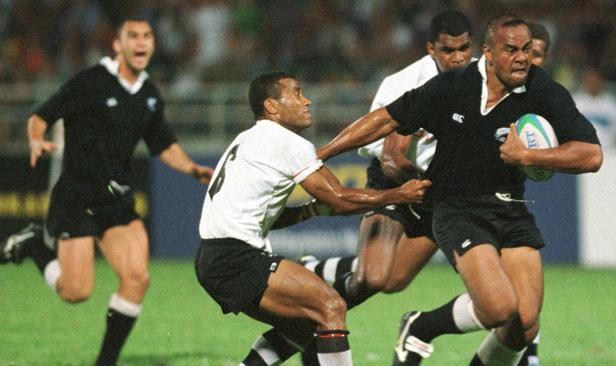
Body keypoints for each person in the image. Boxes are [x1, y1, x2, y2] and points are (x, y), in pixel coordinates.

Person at [315, 14, 602, 366]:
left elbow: (592, 154)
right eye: (511, 49)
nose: (522, 57)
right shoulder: (453, 86)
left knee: (523, 326)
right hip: (458, 210)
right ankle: (422, 327)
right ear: (488, 53)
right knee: (497, 307)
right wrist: (321, 154)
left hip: (510, 208)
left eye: (526, 49)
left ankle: (419, 324)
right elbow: (386, 119)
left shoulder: (541, 89)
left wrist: (529, 155)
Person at [0, 17, 214, 366]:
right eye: (133, 36)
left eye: (147, 36)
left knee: (137, 278)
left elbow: (163, 144)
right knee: (76, 291)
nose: (141, 42)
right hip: (77, 198)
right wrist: (36, 138)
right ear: (118, 45)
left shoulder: (148, 94)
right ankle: (33, 245)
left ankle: (105, 362)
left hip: (116, 200)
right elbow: (42, 115)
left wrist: (191, 168)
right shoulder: (91, 82)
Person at [194, 71, 431, 366]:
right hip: (236, 258)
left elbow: (268, 218)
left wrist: (310, 209)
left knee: (304, 325)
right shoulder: (286, 142)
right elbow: (341, 200)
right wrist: (398, 195)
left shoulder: (247, 139)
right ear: (272, 106)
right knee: (331, 306)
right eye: (296, 94)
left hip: (214, 258)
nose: (306, 101)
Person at [573, 67, 616, 150]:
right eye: (590, 81)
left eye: (596, 81)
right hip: (583, 149)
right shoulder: (576, 102)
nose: (593, 84)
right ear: (585, 82)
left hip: (608, 148)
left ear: (601, 82)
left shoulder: (611, 103)